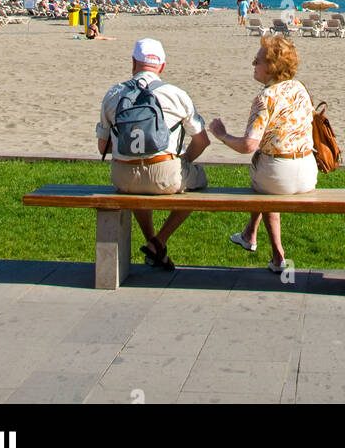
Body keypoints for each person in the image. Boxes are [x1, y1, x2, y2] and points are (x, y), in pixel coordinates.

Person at [96, 37, 210, 270]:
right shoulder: (176, 94)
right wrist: (184, 160)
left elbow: (102, 148)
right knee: (199, 179)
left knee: (136, 184)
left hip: (123, 176)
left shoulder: (113, 94)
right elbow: (202, 141)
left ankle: (153, 245)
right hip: (164, 173)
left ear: (133, 62)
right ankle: (159, 240)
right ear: (162, 66)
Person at [209, 35, 316, 274]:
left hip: (279, 174)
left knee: (266, 181)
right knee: (267, 176)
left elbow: (248, 145)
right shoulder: (300, 88)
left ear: (271, 67)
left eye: (257, 61)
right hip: (308, 171)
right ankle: (250, 235)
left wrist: (222, 135)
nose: (252, 64)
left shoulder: (264, 98)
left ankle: (277, 252)